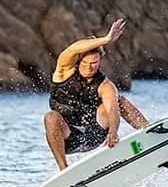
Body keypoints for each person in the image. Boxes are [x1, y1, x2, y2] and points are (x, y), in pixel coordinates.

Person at [43, 18, 149, 170]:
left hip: (94, 133)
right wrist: (106, 39)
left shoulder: (105, 86)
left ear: (100, 61)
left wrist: (113, 131)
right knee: (50, 117)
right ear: (79, 61)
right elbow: (72, 49)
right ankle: (63, 170)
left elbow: (112, 108)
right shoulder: (64, 72)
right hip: (68, 137)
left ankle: (149, 133)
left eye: (94, 63)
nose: (89, 67)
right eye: (86, 63)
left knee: (119, 101)